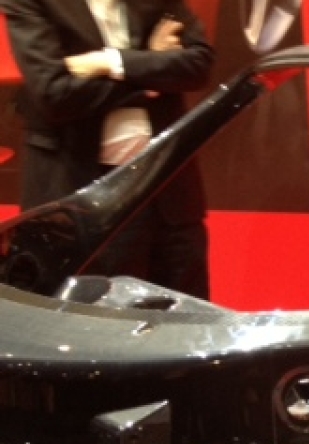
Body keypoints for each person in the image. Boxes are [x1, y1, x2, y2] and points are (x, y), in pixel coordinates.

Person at [2, 0, 215, 298]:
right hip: (81, 196)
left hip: (168, 196)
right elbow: (55, 94)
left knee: (188, 317)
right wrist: (151, 67)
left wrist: (111, 62)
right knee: (94, 319)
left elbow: (197, 65)